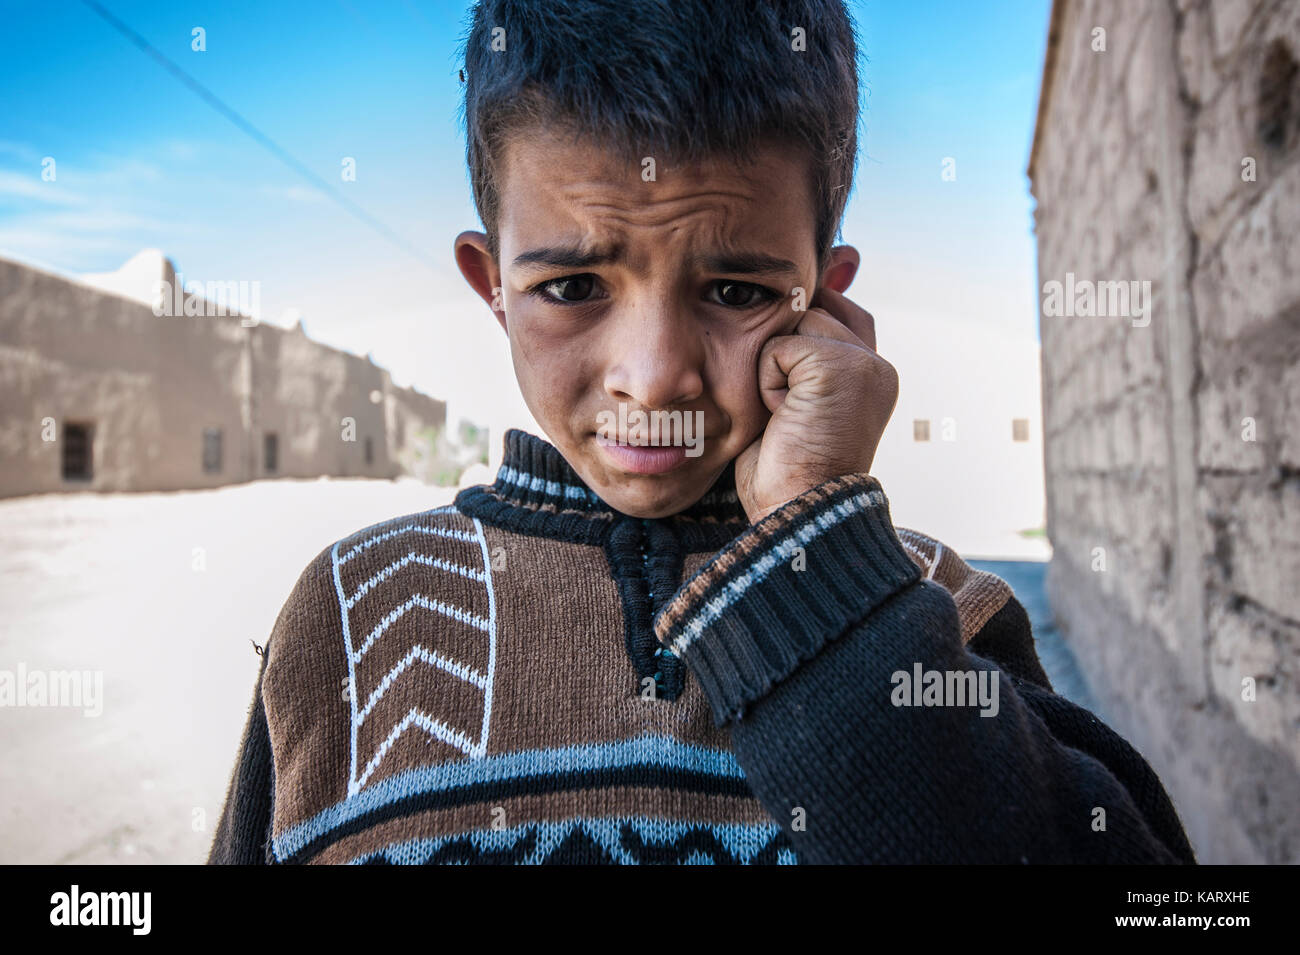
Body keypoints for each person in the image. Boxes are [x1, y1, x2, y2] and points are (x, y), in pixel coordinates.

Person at [208, 0, 1196, 865]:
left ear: (825, 305)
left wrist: (822, 576)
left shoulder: (931, 606)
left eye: (735, 290)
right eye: (572, 286)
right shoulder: (353, 616)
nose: (654, 374)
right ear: (492, 287)